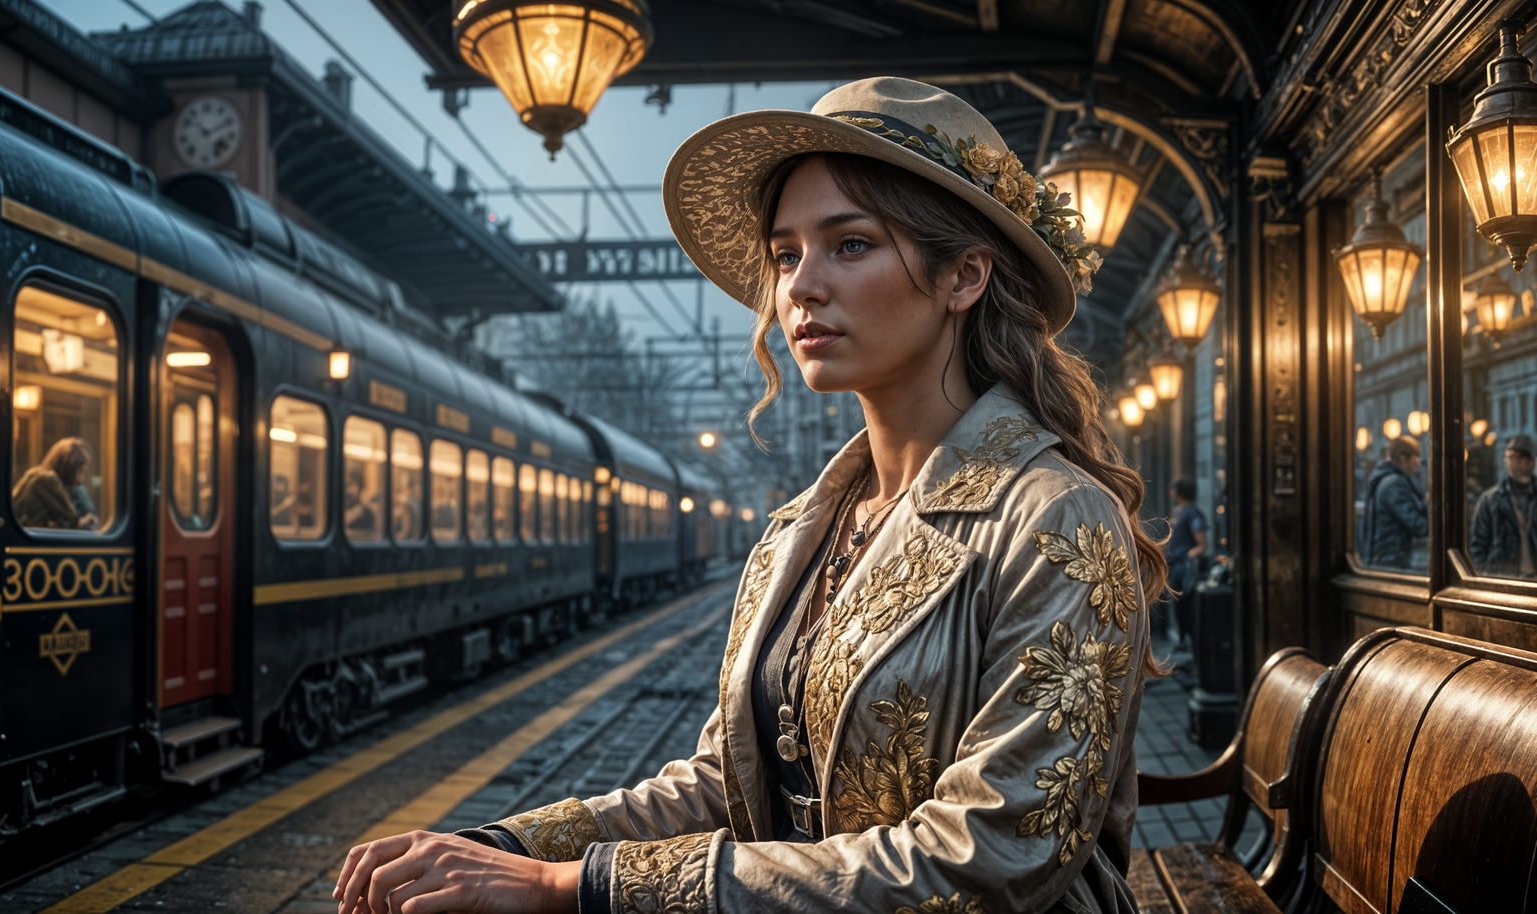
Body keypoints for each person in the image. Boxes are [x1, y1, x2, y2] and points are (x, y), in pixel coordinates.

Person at [336, 77, 1164, 914]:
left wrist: (572, 887)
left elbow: (994, 857)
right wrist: (507, 846)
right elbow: (726, 783)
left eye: (850, 245)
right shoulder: (799, 532)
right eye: (786, 255)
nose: (800, 287)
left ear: (965, 275)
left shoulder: (1056, 518)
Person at [1469, 434, 1537, 577]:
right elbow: (1477, 548)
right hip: (1505, 577)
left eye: (1517, 457)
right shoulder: (1490, 500)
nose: (1512, 462)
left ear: (1530, 461)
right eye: (1509, 457)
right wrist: (1488, 576)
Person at [1359, 435, 1429, 571]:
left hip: (1387, 558)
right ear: (1403, 459)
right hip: (1391, 560)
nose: (1418, 462)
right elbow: (1416, 524)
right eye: (1415, 457)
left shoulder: (1388, 480)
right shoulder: (1394, 484)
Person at [1161, 478, 1208, 649]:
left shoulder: (1192, 513)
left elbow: (1203, 545)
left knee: (1187, 608)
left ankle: (1190, 643)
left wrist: (1188, 555)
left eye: (1173, 489)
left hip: (1184, 569)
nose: (1170, 492)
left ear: (1179, 492)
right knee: (1179, 607)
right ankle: (1183, 639)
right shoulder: (1179, 512)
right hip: (1175, 568)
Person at [12, 437, 99, 530]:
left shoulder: (37, 474)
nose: (81, 479)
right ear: (68, 468)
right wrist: (90, 519)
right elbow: (72, 520)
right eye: (79, 472)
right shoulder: (47, 480)